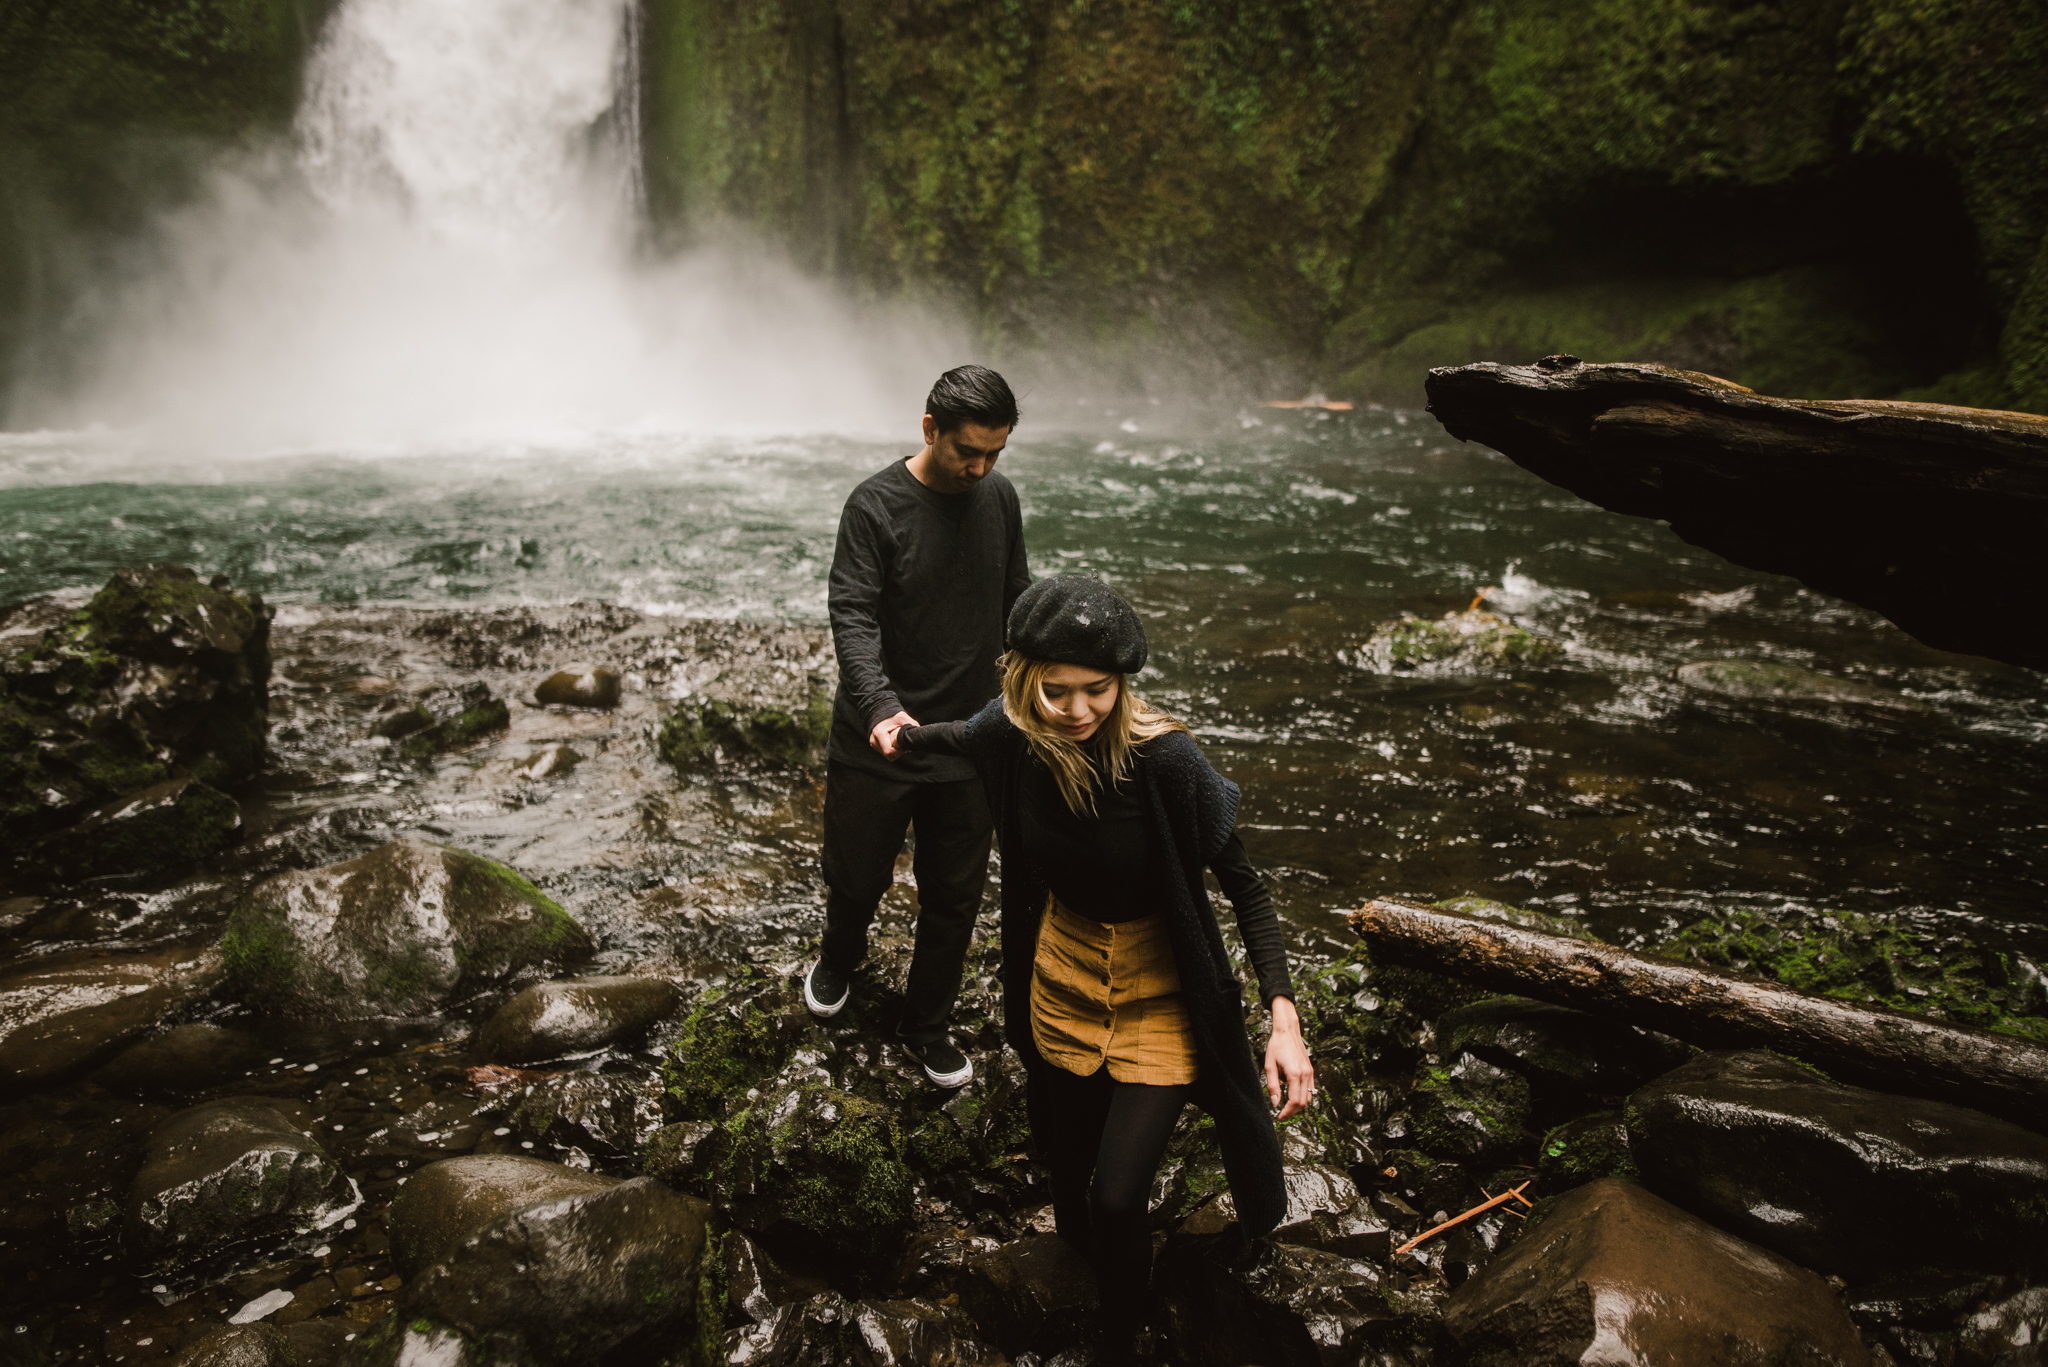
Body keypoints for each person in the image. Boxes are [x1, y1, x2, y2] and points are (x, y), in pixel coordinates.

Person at [895, 575, 1314, 1356]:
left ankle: (1120, 1342)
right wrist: (897, 730)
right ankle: (1102, 1270)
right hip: (1060, 976)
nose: (1080, 710)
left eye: (1099, 690)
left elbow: (1248, 888)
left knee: (1118, 1196)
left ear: (1122, 683)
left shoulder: (1170, 763)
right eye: (1058, 692)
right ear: (1023, 682)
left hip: (1162, 993)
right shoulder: (1012, 731)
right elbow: (957, 736)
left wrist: (1283, 1019)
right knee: (1071, 1179)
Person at [805, 364, 1031, 1089]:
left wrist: (1042, 687)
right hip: (884, 736)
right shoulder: (874, 507)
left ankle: (925, 1025)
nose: (981, 466)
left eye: (995, 452)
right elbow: (853, 614)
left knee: (955, 895)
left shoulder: (998, 497)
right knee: (857, 874)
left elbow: (1017, 601)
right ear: (929, 428)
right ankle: (840, 957)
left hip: (969, 738)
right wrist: (878, 705)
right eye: (969, 450)